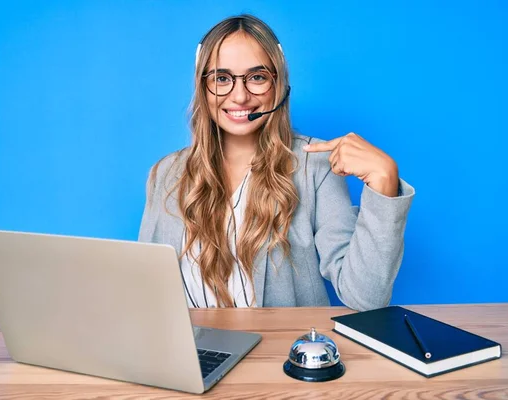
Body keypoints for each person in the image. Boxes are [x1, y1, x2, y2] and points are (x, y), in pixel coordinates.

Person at [138, 14, 414, 311]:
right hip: (193, 352)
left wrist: (384, 183)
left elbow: (366, 299)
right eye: (221, 78)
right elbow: (144, 288)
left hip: (279, 351)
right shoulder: (167, 173)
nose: (240, 96)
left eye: (257, 77)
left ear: (279, 84)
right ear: (203, 87)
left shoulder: (315, 168)